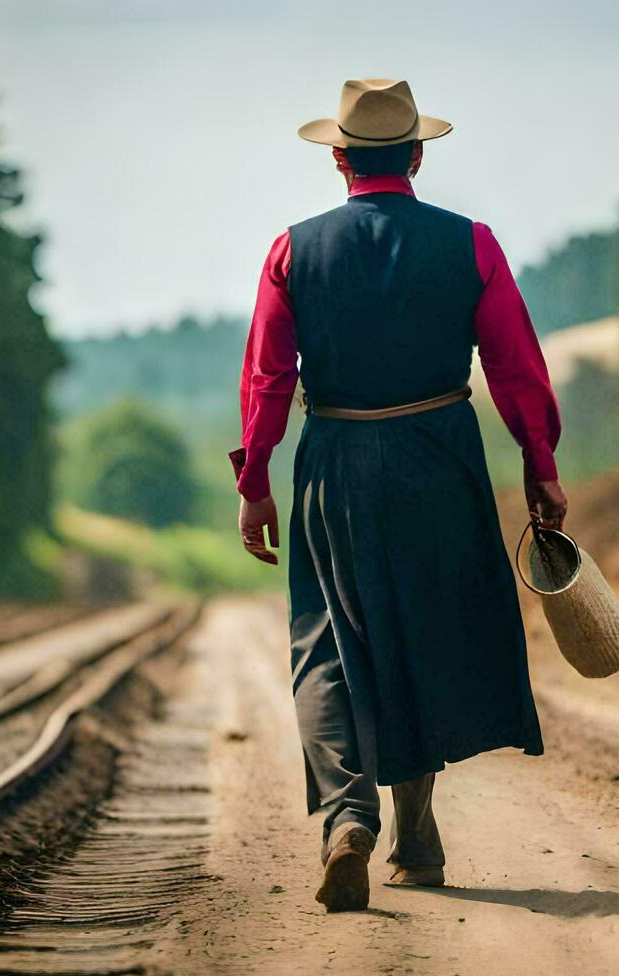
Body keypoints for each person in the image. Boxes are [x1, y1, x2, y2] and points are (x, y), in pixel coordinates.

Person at [230, 78, 567, 912]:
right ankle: (415, 834)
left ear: (339, 159)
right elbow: (514, 364)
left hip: (336, 456)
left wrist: (254, 482)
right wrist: (539, 464)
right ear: (417, 156)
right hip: (439, 457)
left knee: (330, 643)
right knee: (419, 636)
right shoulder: (473, 245)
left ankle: (348, 818)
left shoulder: (290, 251)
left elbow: (269, 377)